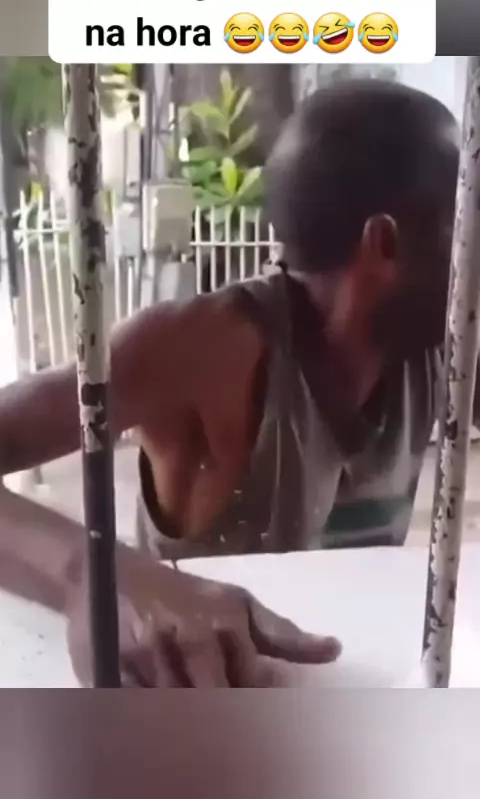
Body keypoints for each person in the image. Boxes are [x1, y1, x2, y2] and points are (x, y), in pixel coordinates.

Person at [0, 78, 472, 686]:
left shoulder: (441, 348)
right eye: (467, 226)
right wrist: (90, 574)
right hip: (201, 702)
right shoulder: (208, 348)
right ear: (384, 244)